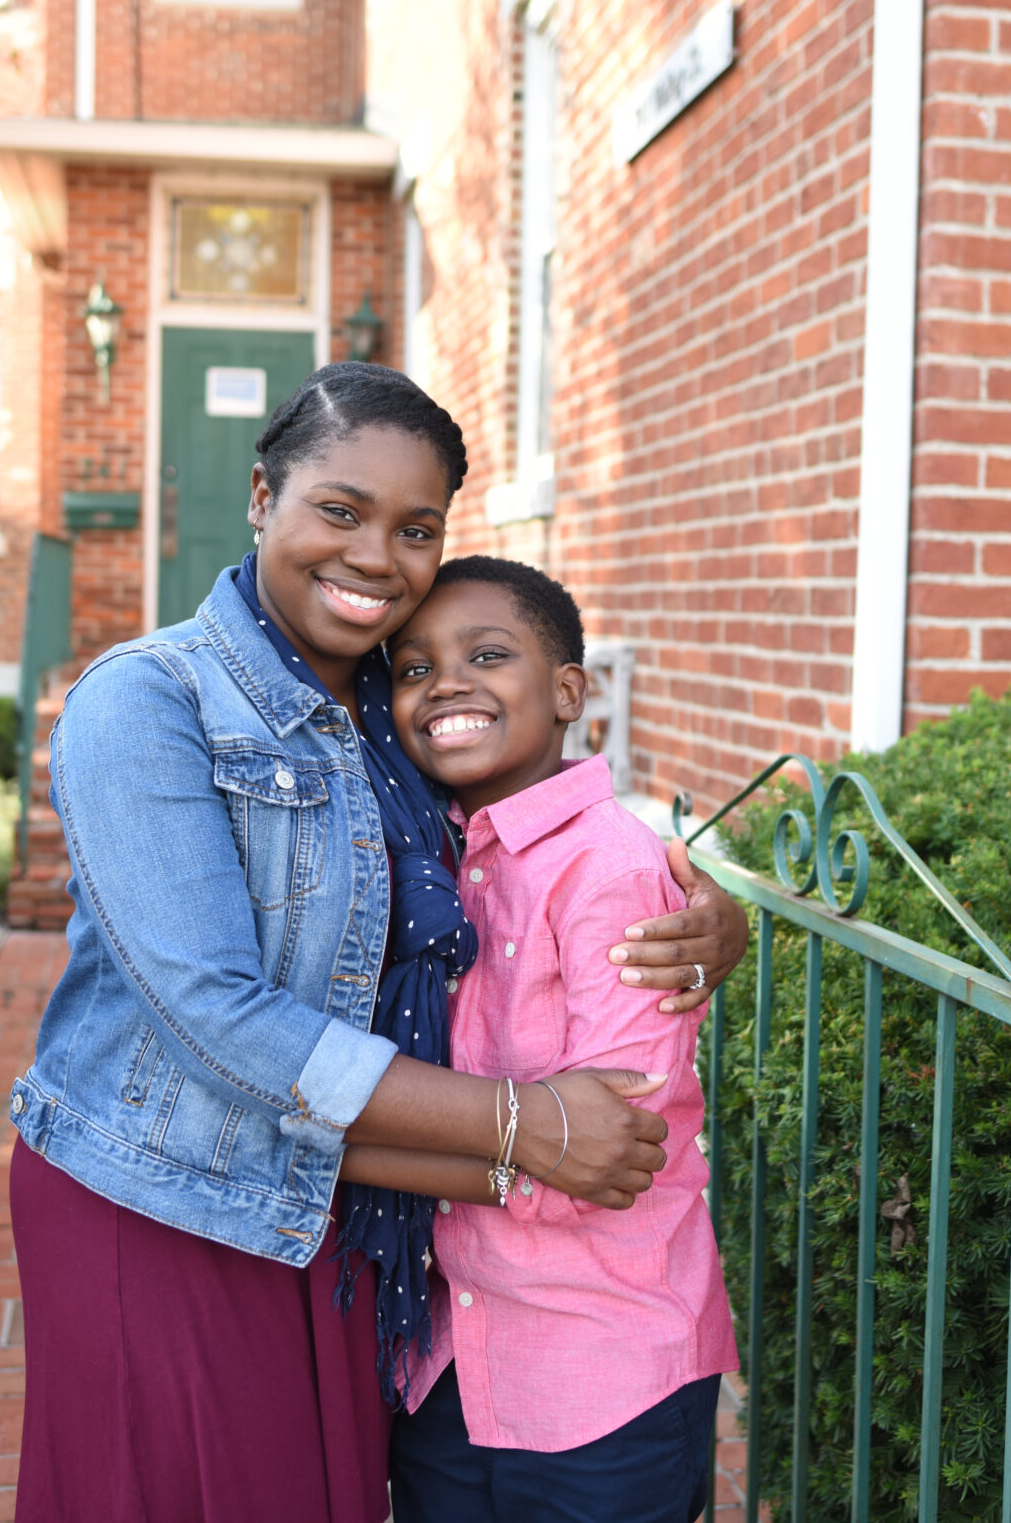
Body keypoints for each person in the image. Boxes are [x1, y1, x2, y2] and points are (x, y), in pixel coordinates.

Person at [6, 363, 748, 1523]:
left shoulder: (395, 719)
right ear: (261, 496)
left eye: (415, 528)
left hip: (351, 1214)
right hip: (166, 1198)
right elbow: (211, 1011)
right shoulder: (147, 700)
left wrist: (710, 916)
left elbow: (536, 852)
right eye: (338, 511)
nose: (373, 556)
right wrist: (528, 1129)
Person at [345, 557, 737, 1523]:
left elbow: (609, 1145)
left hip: (604, 1364)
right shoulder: (425, 851)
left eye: (488, 654)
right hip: (449, 1358)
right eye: (413, 667)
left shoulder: (609, 867)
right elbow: (548, 1137)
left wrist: (349, 1153)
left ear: (569, 691)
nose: (445, 684)